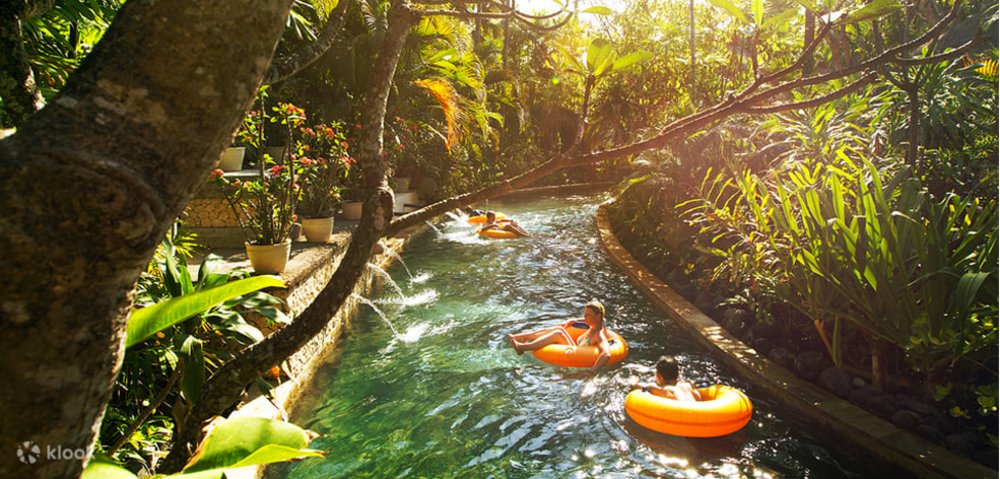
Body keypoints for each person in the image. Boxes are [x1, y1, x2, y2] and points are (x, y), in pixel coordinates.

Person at [508, 300, 611, 371]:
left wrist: (592, 372)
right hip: (576, 348)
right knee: (559, 328)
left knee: (559, 333)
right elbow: (589, 319)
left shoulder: (599, 334)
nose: (584, 317)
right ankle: (524, 337)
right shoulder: (593, 325)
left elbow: (606, 354)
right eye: (584, 314)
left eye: (587, 315)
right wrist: (573, 320)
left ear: (598, 316)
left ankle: (523, 348)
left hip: (576, 357)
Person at [630, 356, 703, 402]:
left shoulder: (665, 390)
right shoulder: (688, 386)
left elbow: (641, 387)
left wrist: (633, 382)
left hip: (685, 418)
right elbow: (699, 398)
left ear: (659, 377)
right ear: (678, 374)